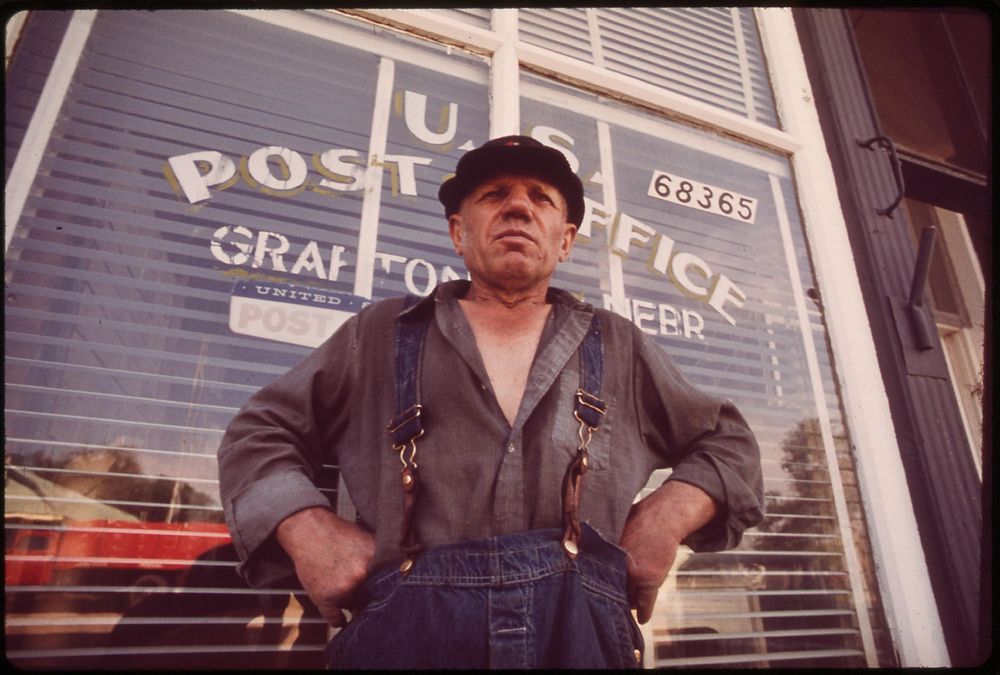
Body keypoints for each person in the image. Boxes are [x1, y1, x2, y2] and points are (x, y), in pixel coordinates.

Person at [217, 135, 764, 669]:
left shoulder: (617, 344)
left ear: (566, 239)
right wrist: (306, 527)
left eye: (541, 198)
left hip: (581, 641)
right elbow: (259, 432)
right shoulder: (381, 333)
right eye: (494, 195)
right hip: (405, 638)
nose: (519, 207)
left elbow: (728, 442)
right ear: (459, 232)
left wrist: (665, 518)